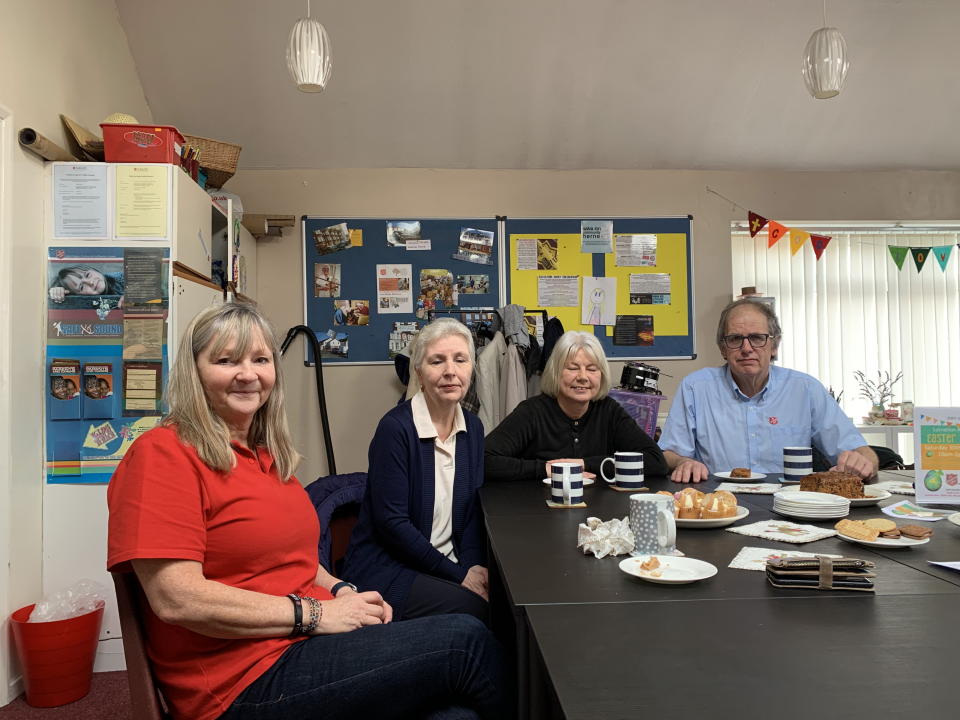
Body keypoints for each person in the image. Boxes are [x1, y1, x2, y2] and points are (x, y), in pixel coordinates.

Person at [107, 303, 505, 720]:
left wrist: (340, 590)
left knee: (456, 715)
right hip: (243, 679)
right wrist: (315, 613)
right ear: (194, 371)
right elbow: (177, 599)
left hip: (304, 642)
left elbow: (291, 559)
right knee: (465, 640)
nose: (248, 374)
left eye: (260, 359)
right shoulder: (162, 454)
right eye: (226, 360)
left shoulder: (262, 455)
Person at [342, 318, 489, 622]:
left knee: (509, 597)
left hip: (449, 564)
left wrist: (474, 567)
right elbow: (393, 524)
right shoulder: (396, 429)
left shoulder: (473, 427)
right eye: (438, 361)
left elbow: (474, 509)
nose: (450, 370)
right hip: (392, 567)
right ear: (420, 373)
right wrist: (461, 576)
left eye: (460, 360)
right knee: (479, 611)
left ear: (471, 369)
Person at [660, 298, 878, 483]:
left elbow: (863, 454)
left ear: (774, 346)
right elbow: (669, 452)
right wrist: (683, 462)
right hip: (719, 504)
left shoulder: (805, 389)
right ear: (723, 348)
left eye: (757, 338)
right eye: (735, 339)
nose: (747, 348)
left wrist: (862, 461)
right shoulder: (695, 387)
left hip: (791, 508)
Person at [484, 330, 668, 482]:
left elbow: (656, 461)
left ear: (601, 375)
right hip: (538, 514)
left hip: (599, 517)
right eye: (572, 368)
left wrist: (583, 464)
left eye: (592, 369)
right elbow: (484, 460)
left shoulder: (609, 411)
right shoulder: (532, 412)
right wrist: (547, 469)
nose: (582, 376)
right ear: (556, 373)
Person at [48, 265, 124, 303]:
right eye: (81, 287)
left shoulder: (121, 277)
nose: (90, 282)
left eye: (87, 275)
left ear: (91, 269)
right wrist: (56, 292)